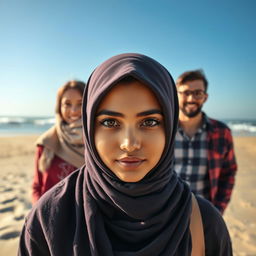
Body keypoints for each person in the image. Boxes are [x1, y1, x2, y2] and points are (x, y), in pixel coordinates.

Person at [19, 54, 232, 255]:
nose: (129, 144)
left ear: (169, 127)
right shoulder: (47, 220)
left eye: (149, 122)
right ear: (90, 128)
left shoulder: (205, 223)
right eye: (110, 122)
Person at [174, 70, 237, 214]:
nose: (191, 98)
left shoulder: (222, 132)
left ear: (205, 97)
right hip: (166, 213)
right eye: (185, 92)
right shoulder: (163, 130)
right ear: (176, 95)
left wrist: (217, 210)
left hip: (204, 213)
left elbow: (229, 172)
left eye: (198, 93)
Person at [32, 80, 86, 203]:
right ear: (59, 107)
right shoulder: (46, 143)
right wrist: (40, 215)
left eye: (80, 103)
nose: (73, 110)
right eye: (67, 104)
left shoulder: (98, 142)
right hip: (50, 216)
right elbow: (37, 187)